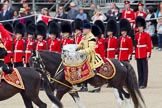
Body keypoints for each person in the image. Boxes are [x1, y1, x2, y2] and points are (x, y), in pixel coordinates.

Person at [77, 23, 104, 92]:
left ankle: (97, 86)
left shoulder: (92, 38)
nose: (82, 30)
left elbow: (91, 49)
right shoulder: (84, 37)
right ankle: (84, 86)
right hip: (85, 57)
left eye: (84, 29)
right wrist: (75, 49)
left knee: (95, 72)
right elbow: (80, 45)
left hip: (91, 57)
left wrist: (82, 51)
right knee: (84, 72)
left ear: (88, 30)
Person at [135, 16, 152, 89]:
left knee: (144, 69)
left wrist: (148, 54)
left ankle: (144, 83)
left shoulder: (146, 35)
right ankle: (140, 82)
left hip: (144, 52)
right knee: (139, 69)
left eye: (140, 27)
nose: (139, 28)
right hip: (138, 53)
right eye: (138, 27)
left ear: (143, 27)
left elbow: (149, 45)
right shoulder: (137, 35)